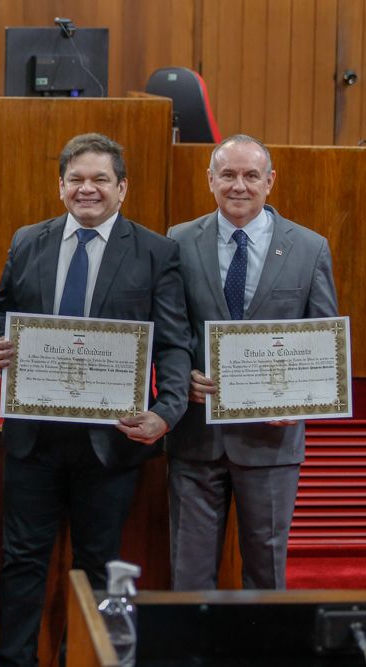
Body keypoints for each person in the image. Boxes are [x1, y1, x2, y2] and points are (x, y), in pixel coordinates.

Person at [0, 133, 190, 666]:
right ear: (60, 186)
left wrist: (166, 411)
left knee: (98, 566)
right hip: (34, 437)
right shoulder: (28, 240)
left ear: (122, 188)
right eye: (76, 178)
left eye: (101, 179)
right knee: (20, 561)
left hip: (111, 441)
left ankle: (81, 659)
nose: (87, 188)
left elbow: (174, 343)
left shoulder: (156, 252)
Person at [166, 134, 338, 590]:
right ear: (210, 180)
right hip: (196, 437)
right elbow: (170, 330)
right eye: (227, 174)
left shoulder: (309, 248)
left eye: (250, 175)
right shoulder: (178, 241)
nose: (238, 185)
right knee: (188, 575)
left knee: (266, 573)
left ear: (270, 181)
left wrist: (301, 400)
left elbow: (322, 343)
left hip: (271, 441)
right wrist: (182, 378)